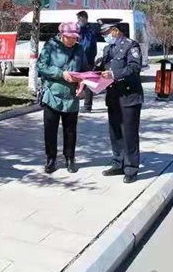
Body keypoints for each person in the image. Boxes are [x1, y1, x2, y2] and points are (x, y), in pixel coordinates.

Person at [97, 18, 144, 184]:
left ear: (115, 31)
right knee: (115, 132)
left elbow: (134, 67)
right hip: (113, 96)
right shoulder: (108, 49)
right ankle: (118, 163)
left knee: (129, 133)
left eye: (106, 33)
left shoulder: (131, 46)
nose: (105, 37)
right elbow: (103, 68)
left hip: (129, 96)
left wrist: (114, 75)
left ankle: (131, 168)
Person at [37, 22, 86, 174]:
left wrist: (82, 84)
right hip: (52, 95)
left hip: (71, 97)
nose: (72, 41)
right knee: (50, 130)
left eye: (75, 38)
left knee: (70, 130)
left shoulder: (79, 49)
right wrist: (61, 73)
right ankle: (51, 159)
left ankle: (70, 158)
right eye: (69, 37)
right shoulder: (50, 46)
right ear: (62, 35)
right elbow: (41, 66)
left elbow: (84, 70)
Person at [76, 11, 98, 113]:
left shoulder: (89, 30)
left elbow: (86, 46)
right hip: (79, 60)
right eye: (78, 19)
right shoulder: (79, 29)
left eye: (80, 19)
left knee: (88, 83)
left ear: (85, 18)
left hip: (87, 60)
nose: (78, 21)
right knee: (77, 81)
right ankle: (76, 105)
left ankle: (87, 106)